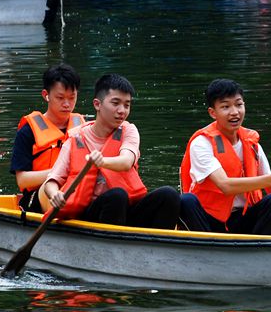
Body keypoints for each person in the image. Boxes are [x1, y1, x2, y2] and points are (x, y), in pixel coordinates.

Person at [41, 73, 181, 229]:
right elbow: (51, 181)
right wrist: (55, 195)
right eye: (115, 103)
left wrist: (102, 161)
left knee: (169, 195)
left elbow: (127, 161)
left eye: (127, 105)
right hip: (92, 215)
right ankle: (112, 248)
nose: (122, 110)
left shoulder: (129, 131)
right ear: (97, 104)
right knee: (116, 196)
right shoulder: (76, 138)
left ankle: (157, 248)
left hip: (126, 212)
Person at [179, 78, 271, 235]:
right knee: (186, 201)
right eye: (225, 107)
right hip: (209, 221)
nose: (235, 112)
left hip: (242, 219)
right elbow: (225, 186)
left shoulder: (251, 143)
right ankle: (206, 250)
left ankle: (257, 250)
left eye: (239, 104)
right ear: (212, 113)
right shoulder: (202, 143)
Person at [10, 64, 85, 212]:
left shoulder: (84, 128)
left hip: (75, 192)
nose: (67, 104)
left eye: (72, 97)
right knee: (48, 188)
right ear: (46, 95)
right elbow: (23, 180)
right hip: (37, 197)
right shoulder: (27, 132)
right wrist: (60, 173)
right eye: (60, 97)